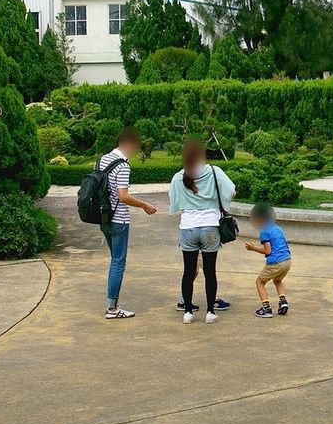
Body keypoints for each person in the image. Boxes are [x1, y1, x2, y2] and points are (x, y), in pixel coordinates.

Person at [169, 139, 235, 325]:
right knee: (209, 271)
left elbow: (174, 202)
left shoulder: (179, 176)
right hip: (210, 227)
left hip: (188, 227)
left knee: (188, 272)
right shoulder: (214, 172)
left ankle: (188, 312)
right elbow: (231, 191)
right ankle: (210, 312)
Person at [99, 127, 158, 320]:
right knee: (118, 262)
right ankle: (112, 308)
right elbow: (123, 197)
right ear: (129, 144)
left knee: (114, 259)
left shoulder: (103, 159)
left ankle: (112, 304)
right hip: (119, 220)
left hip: (103, 217)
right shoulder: (122, 165)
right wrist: (144, 205)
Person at [244, 204, 291, 318]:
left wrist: (253, 248)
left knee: (260, 282)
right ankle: (283, 302)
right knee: (278, 281)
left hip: (275, 263)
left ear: (259, 219)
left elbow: (268, 251)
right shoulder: (277, 228)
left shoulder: (264, 231)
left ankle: (266, 308)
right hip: (287, 261)